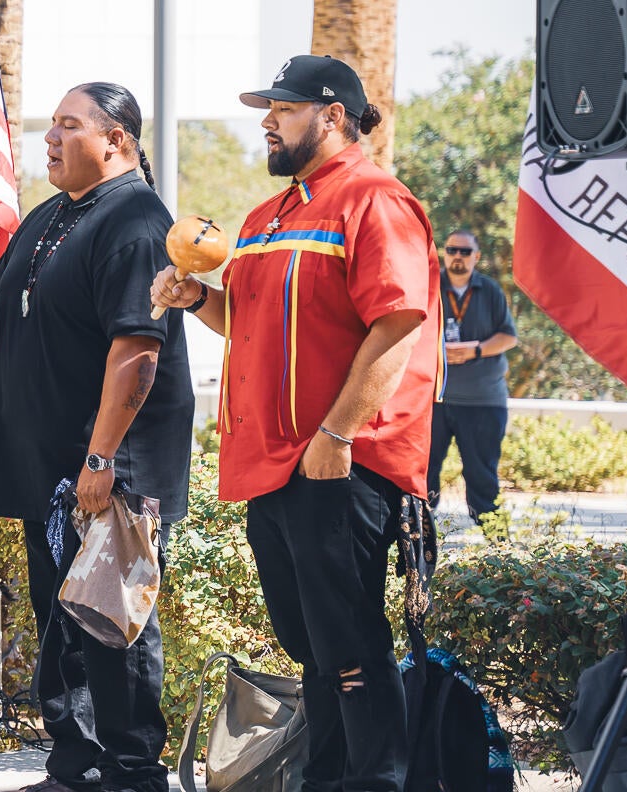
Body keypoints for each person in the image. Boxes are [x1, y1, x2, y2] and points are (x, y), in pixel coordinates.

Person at [151, 55, 441, 791]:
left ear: (333, 114)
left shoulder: (375, 199)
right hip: (273, 465)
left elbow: (400, 324)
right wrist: (196, 299)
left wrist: (337, 435)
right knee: (312, 644)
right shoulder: (267, 216)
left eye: (282, 107)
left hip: (338, 462)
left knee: (349, 643)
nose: (266, 120)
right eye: (267, 108)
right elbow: (246, 322)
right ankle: (326, 779)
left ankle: (375, 782)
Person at [0, 83, 193, 792]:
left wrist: (102, 457)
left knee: (113, 624)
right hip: (47, 468)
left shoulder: (135, 220)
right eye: (51, 124)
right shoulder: (51, 215)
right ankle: (73, 768)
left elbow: (138, 348)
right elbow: (11, 314)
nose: (50, 136)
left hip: (109, 467)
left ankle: (133, 773)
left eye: (69, 125)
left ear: (117, 139)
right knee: (62, 625)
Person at [428, 230, 517, 522]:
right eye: (453, 250)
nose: (458, 256)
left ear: (476, 257)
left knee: (483, 480)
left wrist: (474, 350)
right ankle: (416, 544)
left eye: (465, 252)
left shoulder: (490, 290)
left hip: (483, 401)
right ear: (444, 253)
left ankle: (498, 554)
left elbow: (508, 337)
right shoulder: (429, 286)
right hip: (434, 399)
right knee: (422, 475)